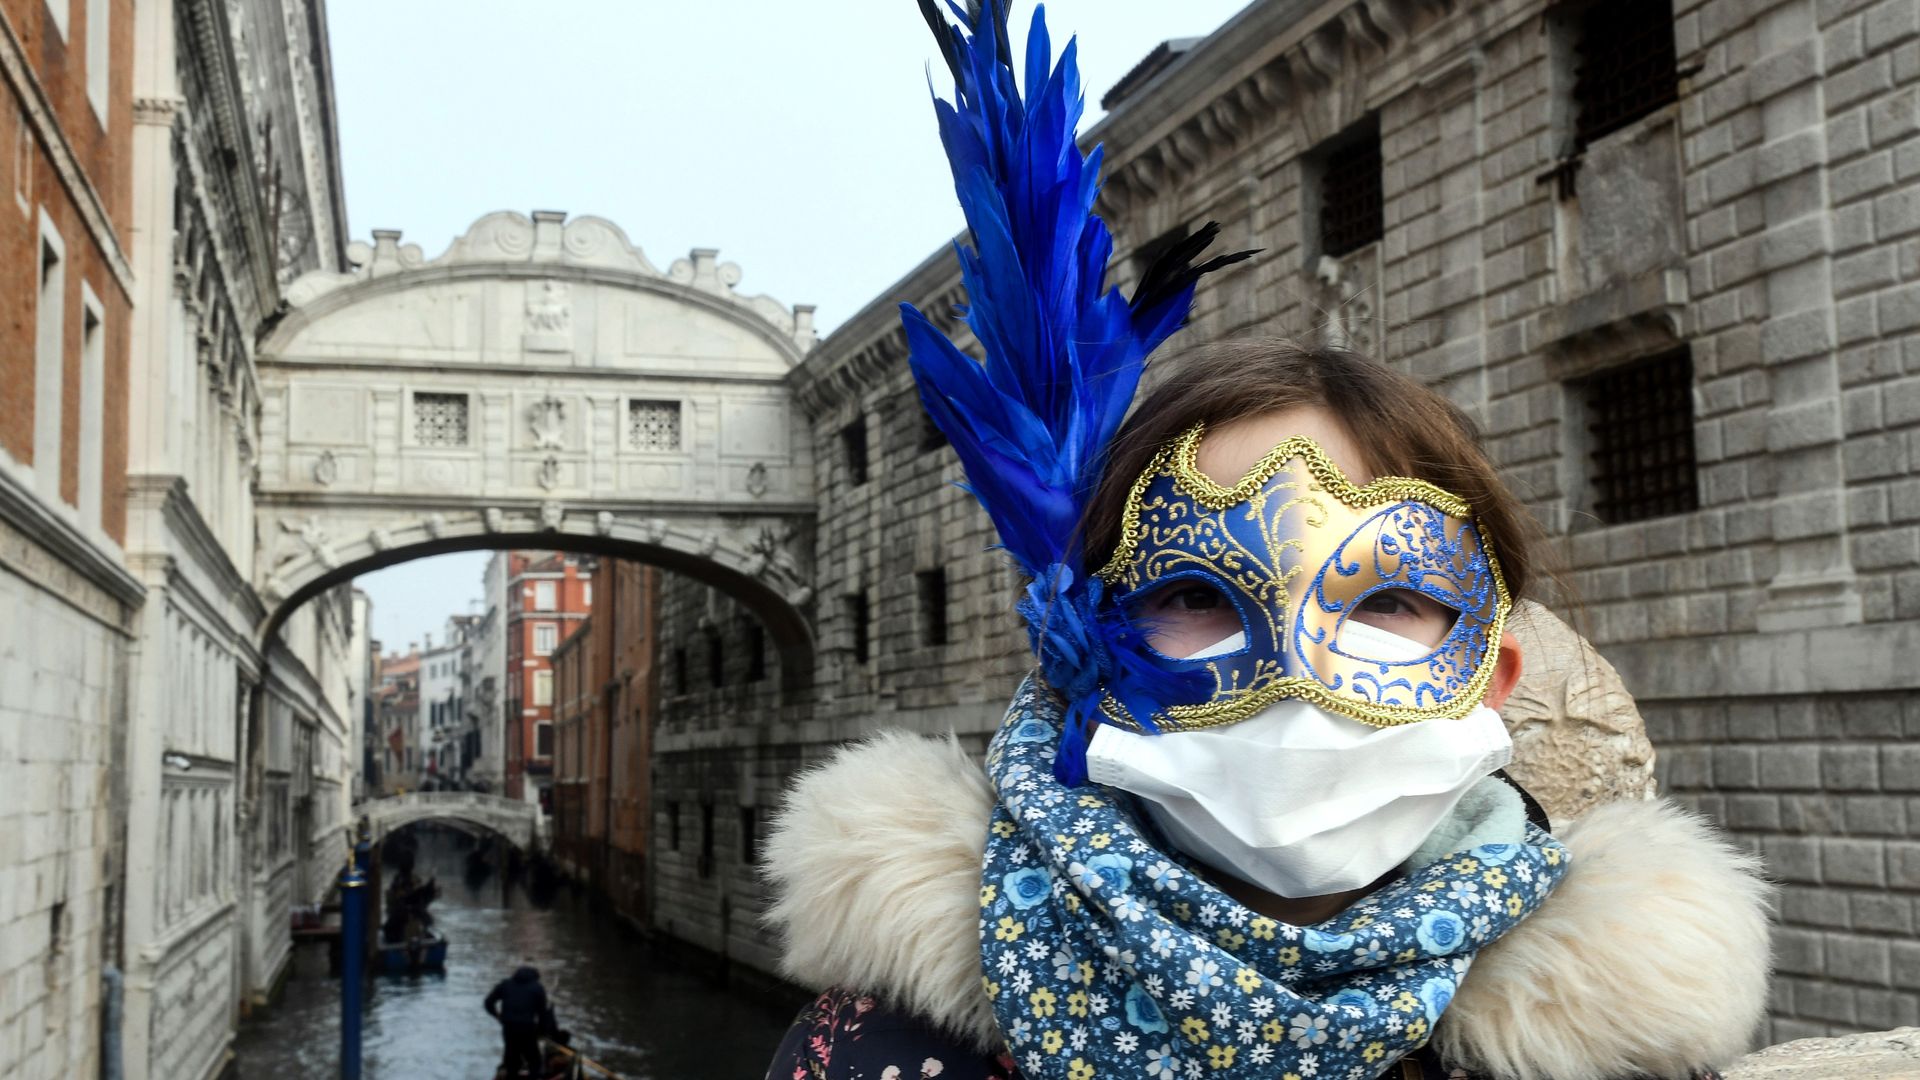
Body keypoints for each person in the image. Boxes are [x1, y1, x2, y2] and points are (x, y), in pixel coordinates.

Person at [761, 5, 1772, 1080]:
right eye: (1197, 592)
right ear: (1085, 649)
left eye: (1386, 601)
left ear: (1491, 671)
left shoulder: (1604, 1044)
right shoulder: (890, 1048)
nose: (1299, 675)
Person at [485, 965, 549, 1079]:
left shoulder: (505, 984)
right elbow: (542, 1015)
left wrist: (498, 1016)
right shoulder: (538, 988)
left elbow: (488, 1003)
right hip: (527, 1028)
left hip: (509, 1028)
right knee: (534, 1062)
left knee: (512, 1060)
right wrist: (541, 1033)